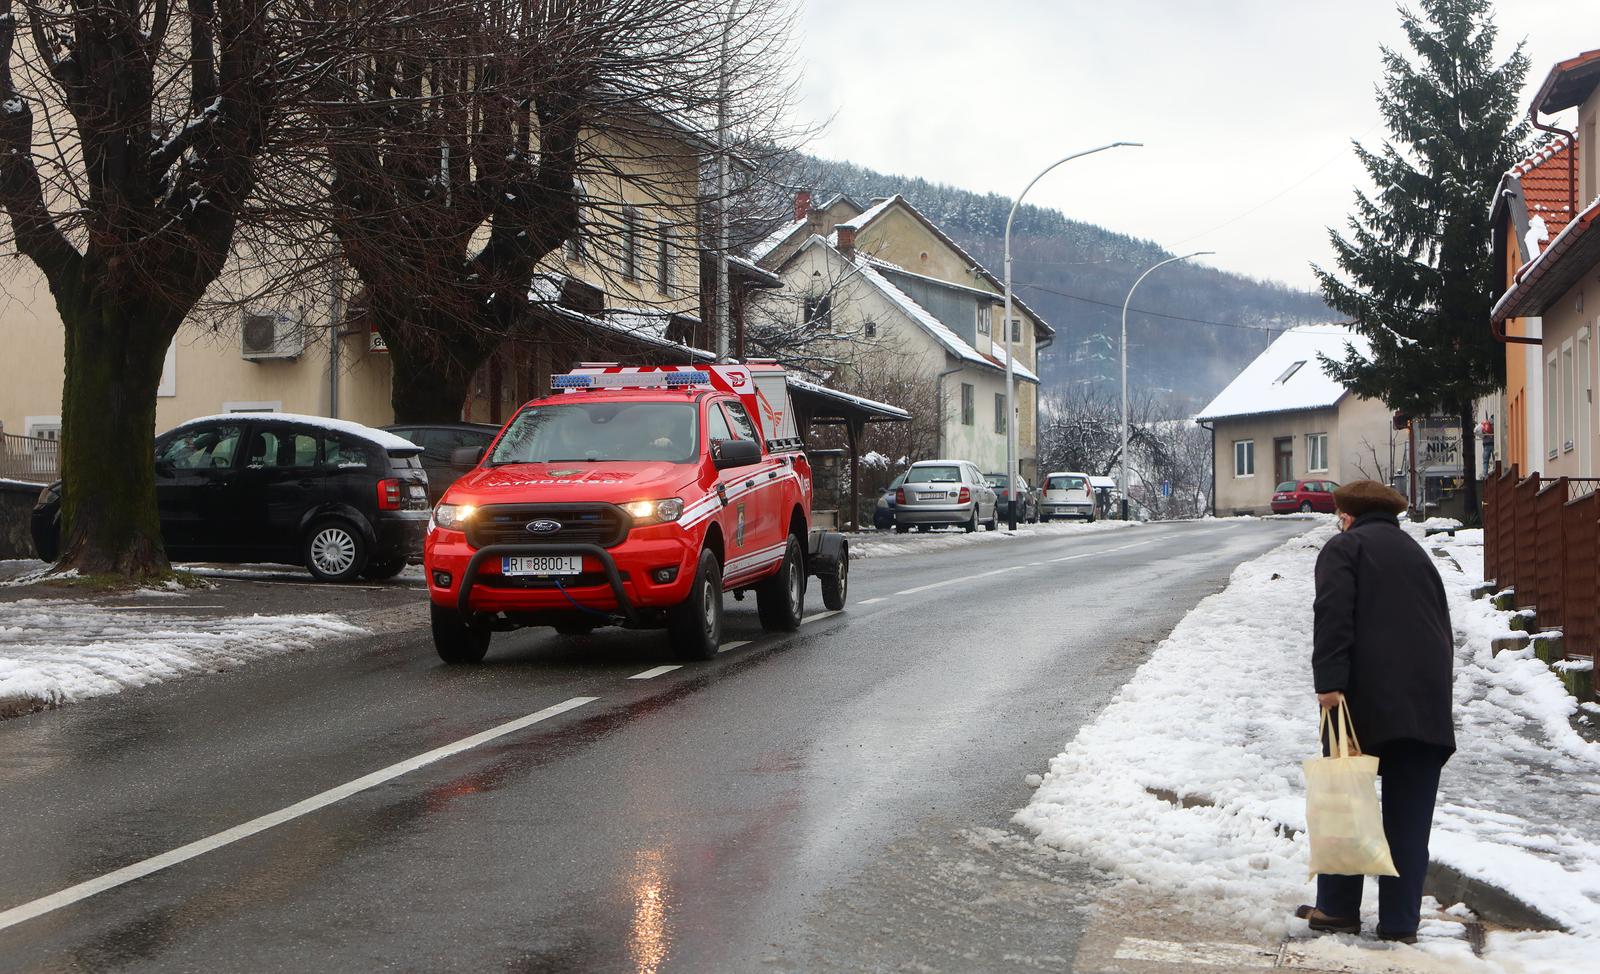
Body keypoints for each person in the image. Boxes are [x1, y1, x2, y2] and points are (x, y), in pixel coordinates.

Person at [1296, 480, 1456, 944]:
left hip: (1362, 702)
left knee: (1346, 797)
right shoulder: (1416, 554)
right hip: (1425, 708)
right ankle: (1400, 922)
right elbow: (1440, 628)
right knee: (1409, 820)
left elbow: (1333, 614)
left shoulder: (1345, 548)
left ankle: (1338, 909)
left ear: (1347, 514)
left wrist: (1328, 683)